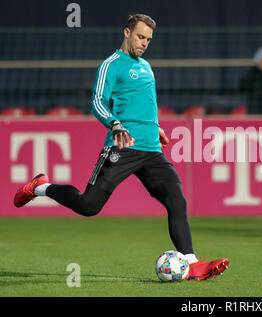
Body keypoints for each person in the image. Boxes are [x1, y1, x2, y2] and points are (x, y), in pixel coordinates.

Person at [13, 14, 229, 280]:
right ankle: (40, 186)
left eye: (148, 39)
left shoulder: (147, 67)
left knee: (176, 199)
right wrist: (114, 123)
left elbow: (143, 104)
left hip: (151, 150)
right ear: (126, 32)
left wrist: (156, 128)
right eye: (140, 37)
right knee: (89, 206)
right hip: (121, 147)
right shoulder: (111, 65)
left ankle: (192, 263)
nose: (144, 43)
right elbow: (97, 102)